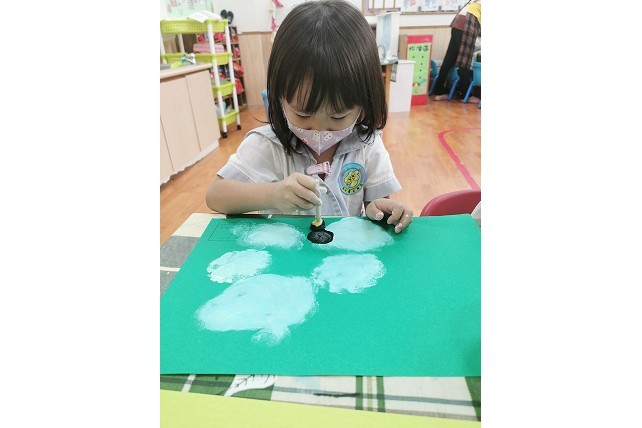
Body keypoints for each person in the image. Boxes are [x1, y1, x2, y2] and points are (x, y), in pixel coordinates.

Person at [206, 0, 413, 233]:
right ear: (280, 97)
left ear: (363, 106)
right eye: (303, 114)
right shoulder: (268, 145)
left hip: (343, 253)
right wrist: (272, 194)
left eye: (338, 117)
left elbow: (375, 203)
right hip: (286, 252)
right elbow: (216, 196)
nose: (319, 130)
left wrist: (380, 208)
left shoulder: (367, 146)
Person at [430, 0, 481, 102]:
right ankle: (466, 95)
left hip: (458, 24)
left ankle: (438, 93)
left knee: (449, 59)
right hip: (466, 26)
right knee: (464, 61)